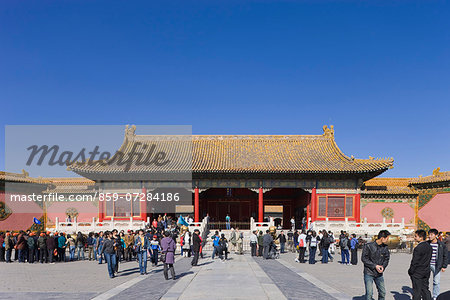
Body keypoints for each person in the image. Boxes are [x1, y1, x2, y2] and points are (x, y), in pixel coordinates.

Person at [362, 230, 391, 300]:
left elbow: (386, 259)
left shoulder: (385, 247)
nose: (387, 240)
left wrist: (383, 267)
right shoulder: (368, 246)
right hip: (369, 272)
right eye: (387, 238)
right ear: (382, 238)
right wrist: (375, 266)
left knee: (382, 292)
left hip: (379, 274)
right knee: (369, 294)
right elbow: (364, 258)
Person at [409, 229, 432, 300]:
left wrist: (411, 271)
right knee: (425, 289)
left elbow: (415, 262)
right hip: (426, 270)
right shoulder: (429, 246)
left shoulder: (418, 248)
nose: (415, 238)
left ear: (421, 237)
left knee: (417, 291)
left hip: (418, 272)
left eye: (416, 236)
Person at [428, 229, 447, 300]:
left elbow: (445, 255)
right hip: (427, 265)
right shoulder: (427, 243)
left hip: (437, 265)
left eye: (431, 235)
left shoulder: (441, 245)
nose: (429, 236)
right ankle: (425, 295)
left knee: (436, 281)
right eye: (429, 234)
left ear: (436, 235)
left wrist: (444, 266)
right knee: (424, 280)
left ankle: (435, 296)